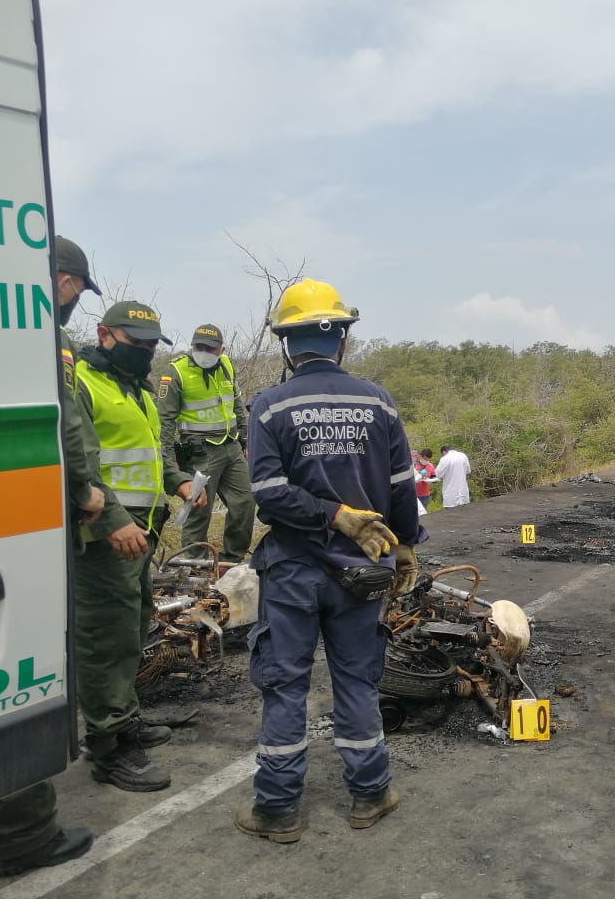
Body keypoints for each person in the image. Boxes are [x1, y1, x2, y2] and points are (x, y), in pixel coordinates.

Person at [237, 278, 426, 843]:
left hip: (294, 571)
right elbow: (400, 485)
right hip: (363, 572)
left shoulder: (269, 407)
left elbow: (267, 492)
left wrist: (326, 514)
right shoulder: (378, 401)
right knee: (357, 682)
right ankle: (370, 795)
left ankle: (277, 811)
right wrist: (404, 543)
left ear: (286, 344)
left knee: (286, 685)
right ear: (341, 339)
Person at [0, 237, 103, 877]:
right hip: (19, 518)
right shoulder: (37, 334)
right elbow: (65, 424)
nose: (73, 301)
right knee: (19, 665)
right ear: (59, 280)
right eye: (76, 287)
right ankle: (23, 833)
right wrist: (85, 491)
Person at [74, 301, 206, 792]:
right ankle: (109, 747)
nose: (147, 354)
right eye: (137, 344)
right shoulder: (82, 384)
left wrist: (178, 482)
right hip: (104, 535)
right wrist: (111, 518)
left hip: (141, 533)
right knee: (105, 639)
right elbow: (76, 465)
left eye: (152, 346)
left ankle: (123, 720)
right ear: (105, 335)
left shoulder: (138, 390)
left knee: (131, 631)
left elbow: (151, 456)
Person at [157, 323, 255, 561]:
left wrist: (247, 440)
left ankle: (232, 559)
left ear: (220, 349)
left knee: (245, 502)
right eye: (199, 346)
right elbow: (165, 422)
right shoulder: (176, 372)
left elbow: (237, 407)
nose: (204, 352)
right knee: (199, 510)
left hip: (231, 446)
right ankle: (193, 564)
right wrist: (169, 462)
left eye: (210, 348)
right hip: (200, 452)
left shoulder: (227, 366)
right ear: (192, 346)